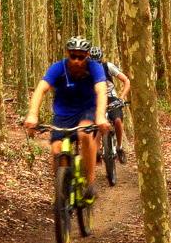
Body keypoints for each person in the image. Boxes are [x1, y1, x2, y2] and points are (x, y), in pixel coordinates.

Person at [23, 35, 109, 201]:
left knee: (85, 133)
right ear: (68, 54)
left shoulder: (95, 68)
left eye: (81, 57)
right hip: (63, 113)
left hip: (87, 110)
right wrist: (33, 114)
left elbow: (101, 90)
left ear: (87, 56)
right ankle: (62, 190)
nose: (77, 60)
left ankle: (89, 182)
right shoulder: (58, 68)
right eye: (73, 56)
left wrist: (100, 116)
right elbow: (41, 89)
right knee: (56, 150)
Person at [90, 44, 131, 162]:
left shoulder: (108, 66)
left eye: (97, 62)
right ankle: (96, 150)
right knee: (94, 125)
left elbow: (126, 81)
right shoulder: (87, 70)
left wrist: (121, 98)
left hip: (111, 98)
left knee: (117, 121)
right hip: (96, 99)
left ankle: (119, 147)